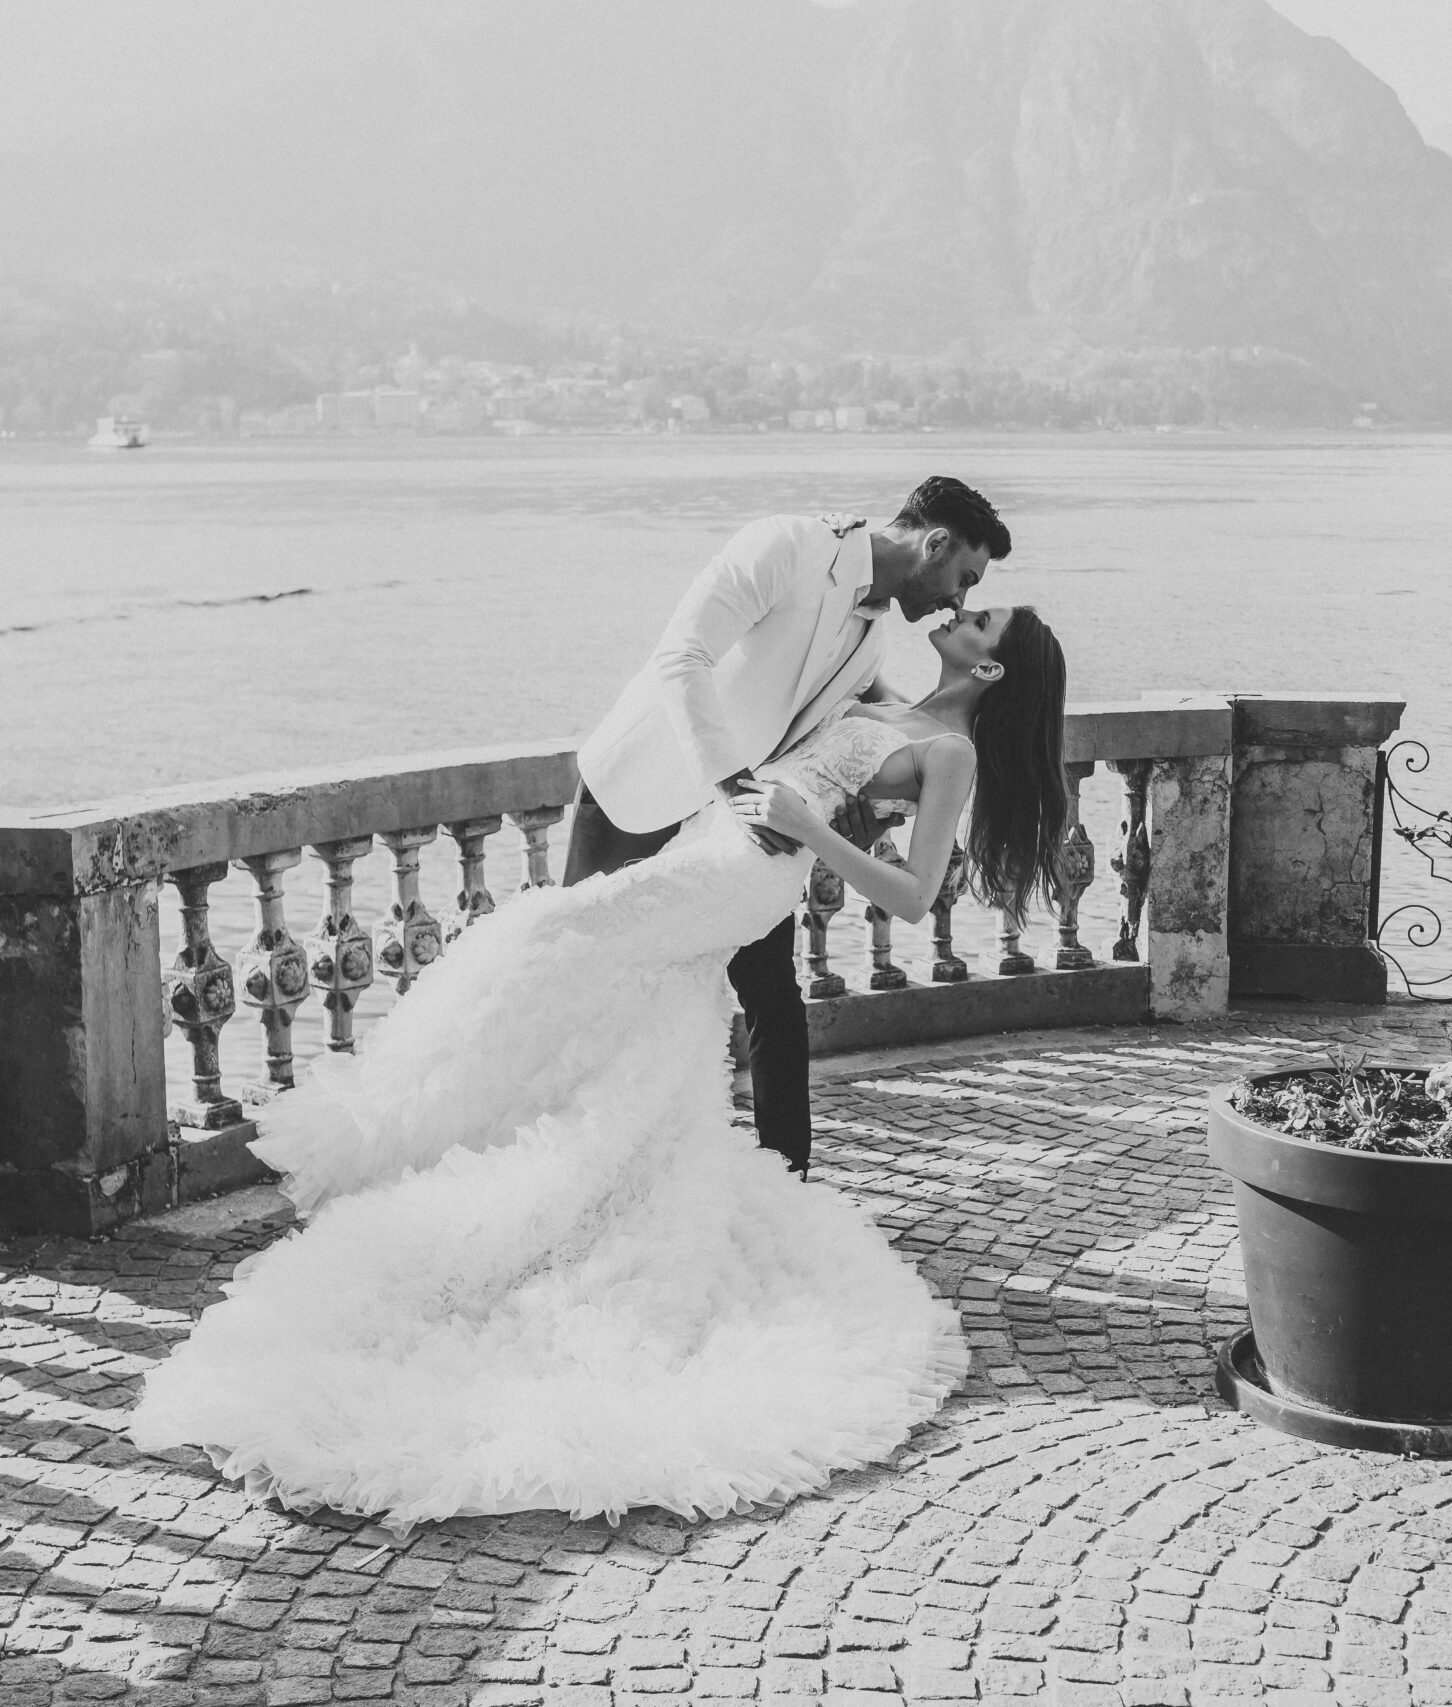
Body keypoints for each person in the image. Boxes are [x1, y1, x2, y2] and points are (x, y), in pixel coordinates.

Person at [127, 579, 1071, 1536]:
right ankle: (561, 1180)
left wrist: (816, 831)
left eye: (981, 618)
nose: (961, 609)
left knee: (546, 937)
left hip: (752, 871)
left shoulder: (948, 751)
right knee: (626, 1012)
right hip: (721, 846)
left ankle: (451, 1139)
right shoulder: (879, 694)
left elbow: (914, 897)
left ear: (990, 666)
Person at [566, 477, 1013, 1177]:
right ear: (933, 542)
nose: (959, 600)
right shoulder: (785, 545)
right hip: (640, 792)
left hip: (744, 836)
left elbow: (872, 733)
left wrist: (861, 815)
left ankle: (784, 1179)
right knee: (583, 973)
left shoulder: (870, 645)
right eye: (963, 578)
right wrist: (732, 784)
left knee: (773, 995)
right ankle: (570, 1153)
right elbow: (681, 658)